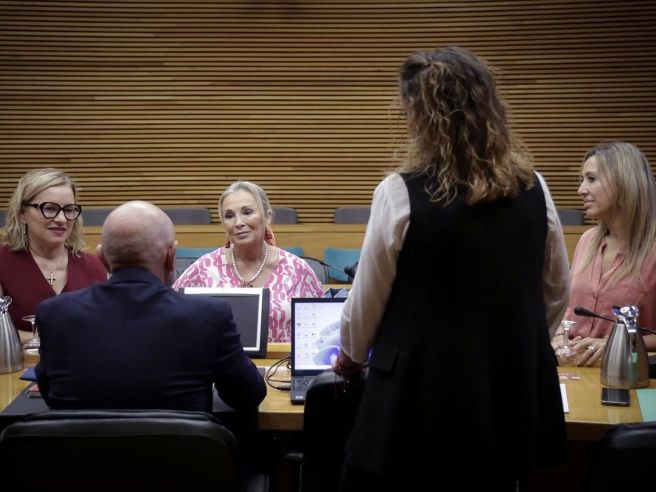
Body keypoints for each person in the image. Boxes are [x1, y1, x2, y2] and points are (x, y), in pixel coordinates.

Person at [334, 46, 570, 490]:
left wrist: (350, 354)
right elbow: (556, 292)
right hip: (508, 397)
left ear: (421, 117)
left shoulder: (398, 192)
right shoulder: (535, 188)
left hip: (418, 401)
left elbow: (367, 303)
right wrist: (515, 342)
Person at [35, 200, 266, 415]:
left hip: (81, 448)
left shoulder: (54, 314)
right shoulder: (208, 316)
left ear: (102, 258)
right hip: (180, 447)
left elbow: (51, 395)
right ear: (171, 256)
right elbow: (248, 396)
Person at [173, 180, 324, 343]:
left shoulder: (297, 269)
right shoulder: (204, 268)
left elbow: (322, 327)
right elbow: (169, 313)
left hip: (282, 359)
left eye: (247, 212)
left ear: (267, 217)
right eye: (229, 216)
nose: (238, 223)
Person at [559, 141, 656, 366]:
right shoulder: (587, 240)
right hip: (574, 372)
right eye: (582, 180)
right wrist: (557, 337)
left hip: (626, 374)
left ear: (624, 183)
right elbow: (569, 308)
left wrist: (617, 343)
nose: (581, 190)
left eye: (591, 179)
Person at [0, 168, 107, 339]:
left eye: (69, 210)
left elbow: (105, 329)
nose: (62, 219)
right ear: (22, 214)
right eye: (50, 208)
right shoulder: (3, 262)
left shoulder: (94, 266)